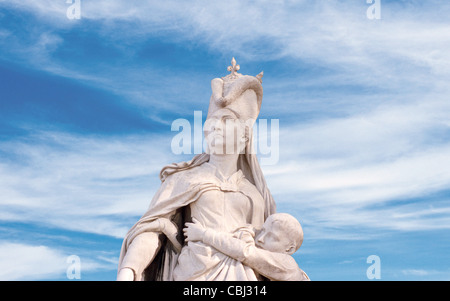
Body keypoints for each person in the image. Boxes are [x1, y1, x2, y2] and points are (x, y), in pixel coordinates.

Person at [117, 59, 276, 281]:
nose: (214, 126)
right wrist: (129, 270)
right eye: (212, 119)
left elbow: (265, 251)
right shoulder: (183, 179)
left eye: (226, 119)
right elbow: (152, 230)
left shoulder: (255, 196)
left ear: (245, 135)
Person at [184, 213, 310, 281]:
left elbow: (246, 252)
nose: (260, 239)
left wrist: (203, 234)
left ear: (289, 249)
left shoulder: (288, 265)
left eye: (271, 236)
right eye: (262, 231)